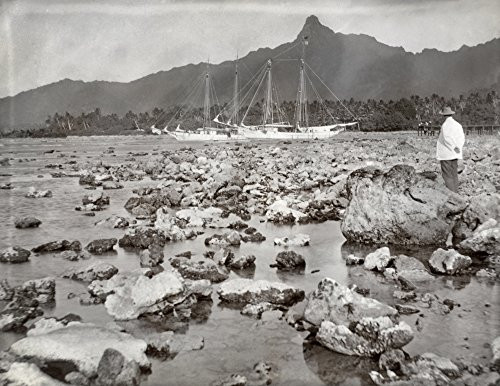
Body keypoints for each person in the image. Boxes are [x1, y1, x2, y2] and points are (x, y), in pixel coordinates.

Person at [436, 106, 465, 193]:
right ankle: (455, 192)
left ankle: (452, 194)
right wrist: (458, 148)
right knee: (454, 174)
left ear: (444, 116)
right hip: (455, 153)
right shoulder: (458, 125)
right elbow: (462, 138)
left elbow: (447, 138)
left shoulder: (445, 125)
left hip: (446, 154)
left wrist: (454, 147)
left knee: (447, 175)